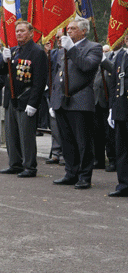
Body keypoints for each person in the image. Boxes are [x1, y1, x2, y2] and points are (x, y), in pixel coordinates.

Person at [50, 18, 102, 189]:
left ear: (83, 31)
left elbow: (86, 66)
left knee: (83, 142)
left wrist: (72, 49)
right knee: (67, 141)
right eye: (68, 28)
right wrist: (53, 99)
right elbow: (58, 75)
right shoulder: (62, 49)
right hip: (61, 101)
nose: (69, 31)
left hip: (80, 100)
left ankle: (85, 176)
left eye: (73, 28)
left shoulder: (93, 48)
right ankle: (70, 173)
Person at [0, 21, 48, 178]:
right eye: (17, 31)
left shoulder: (37, 52)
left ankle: (29, 167)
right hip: (11, 100)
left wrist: (33, 103)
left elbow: (39, 82)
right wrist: (3, 59)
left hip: (26, 99)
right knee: (11, 135)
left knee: (26, 136)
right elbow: (0, 72)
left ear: (31, 33)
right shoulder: (13, 51)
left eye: (22, 31)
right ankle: (15, 164)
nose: (19, 34)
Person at [108, 35, 128, 197]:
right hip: (121, 109)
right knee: (122, 149)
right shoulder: (121, 55)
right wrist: (111, 108)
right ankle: (124, 184)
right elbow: (114, 83)